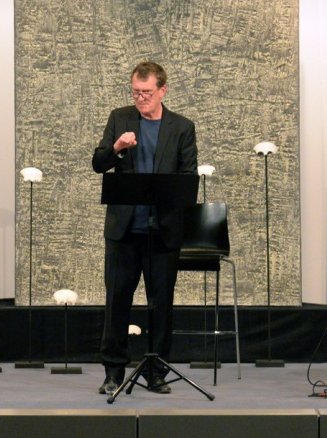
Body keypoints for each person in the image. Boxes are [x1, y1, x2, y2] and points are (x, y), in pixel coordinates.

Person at [92, 61, 198, 395]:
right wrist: (117, 148)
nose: (140, 99)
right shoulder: (119, 117)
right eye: (136, 92)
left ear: (162, 90)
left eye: (147, 93)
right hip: (125, 232)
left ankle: (157, 372)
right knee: (117, 302)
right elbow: (98, 163)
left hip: (163, 232)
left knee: (161, 304)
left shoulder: (182, 127)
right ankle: (113, 372)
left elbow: (188, 176)